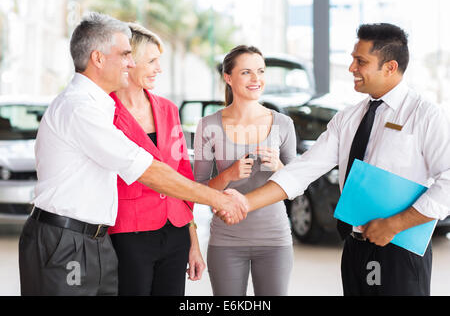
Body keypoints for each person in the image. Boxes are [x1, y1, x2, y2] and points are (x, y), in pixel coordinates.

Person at [18, 12, 247, 296]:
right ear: (98, 58)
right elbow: (148, 170)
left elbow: (174, 170)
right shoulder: (80, 109)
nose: (130, 62)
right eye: (126, 54)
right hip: (68, 239)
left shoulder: (99, 105)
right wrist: (219, 199)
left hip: (95, 239)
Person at [221, 23, 450, 296]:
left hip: (398, 249)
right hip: (355, 246)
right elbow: (302, 170)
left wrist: (395, 224)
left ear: (390, 67)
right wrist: (244, 203)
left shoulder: (425, 115)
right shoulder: (349, 117)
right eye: (353, 59)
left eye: (360, 61)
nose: (351, 68)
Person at [108, 23, 205, 296]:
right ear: (129, 61)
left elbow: (183, 176)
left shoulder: (169, 109)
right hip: (128, 233)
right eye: (152, 61)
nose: (158, 69)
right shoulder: (104, 112)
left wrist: (193, 242)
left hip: (175, 232)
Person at [194, 45, 297, 296]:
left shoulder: (283, 124)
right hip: (226, 241)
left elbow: (295, 187)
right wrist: (229, 174)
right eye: (246, 72)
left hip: (274, 240)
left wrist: (280, 168)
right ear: (228, 78)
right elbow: (198, 190)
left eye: (261, 71)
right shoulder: (208, 125)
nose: (256, 79)